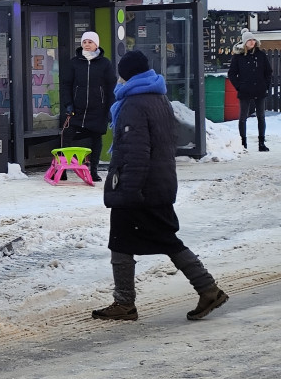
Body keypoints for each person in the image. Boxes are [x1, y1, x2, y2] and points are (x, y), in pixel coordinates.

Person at [92, 50, 228, 322]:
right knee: (142, 240)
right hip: (157, 183)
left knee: (136, 240)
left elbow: (136, 152)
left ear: (127, 74)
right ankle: (204, 289)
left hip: (139, 187)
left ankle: (128, 302)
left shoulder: (134, 104)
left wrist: (128, 191)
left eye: (121, 73)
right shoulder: (158, 98)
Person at [60, 30, 116, 182]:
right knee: (66, 135)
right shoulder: (74, 62)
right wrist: (68, 104)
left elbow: (112, 86)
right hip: (76, 110)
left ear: (96, 44)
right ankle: (63, 169)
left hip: (98, 109)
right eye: (84, 42)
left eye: (90, 42)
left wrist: (110, 108)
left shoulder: (105, 63)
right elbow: (66, 85)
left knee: (96, 139)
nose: (87, 45)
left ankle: (94, 171)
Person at [228, 29, 272, 152]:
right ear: (244, 42)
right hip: (245, 90)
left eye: (253, 40)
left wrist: (265, 85)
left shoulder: (261, 55)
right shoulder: (238, 57)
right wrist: (239, 86)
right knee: (243, 117)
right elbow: (232, 73)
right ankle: (243, 143)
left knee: (261, 116)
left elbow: (268, 72)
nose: (252, 42)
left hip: (259, 90)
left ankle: (261, 143)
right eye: (249, 40)